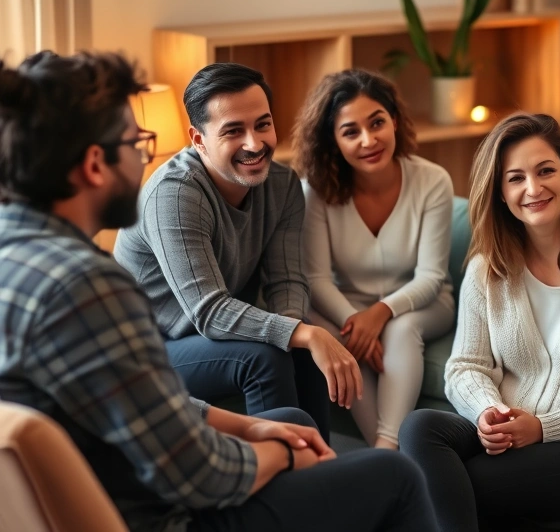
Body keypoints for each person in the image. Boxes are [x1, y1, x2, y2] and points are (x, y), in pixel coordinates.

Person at [0, 50, 437, 532]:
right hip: (166, 513)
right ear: (96, 164)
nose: (144, 157)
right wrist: (281, 454)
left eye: (263, 124)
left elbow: (137, 398)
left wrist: (251, 425)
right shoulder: (90, 284)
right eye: (137, 142)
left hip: (132, 484)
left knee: (291, 401)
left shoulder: (21, 259)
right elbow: (201, 474)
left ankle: (322, 486)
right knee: (392, 472)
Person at [398, 113, 560, 531]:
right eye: (516, 178)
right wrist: (490, 412)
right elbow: (465, 366)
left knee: (460, 483)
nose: (533, 189)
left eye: (546, 171)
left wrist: (543, 428)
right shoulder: (488, 268)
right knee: (420, 428)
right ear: (500, 193)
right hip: (511, 427)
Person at [114, 62, 359, 442]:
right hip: (145, 350)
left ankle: (318, 472)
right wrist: (303, 334)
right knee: (265, 357)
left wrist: (297, 334)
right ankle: (279, 485)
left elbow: (287, 281)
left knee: (300, 352)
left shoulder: (282, 184)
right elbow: (209, 311)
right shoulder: (175, 194)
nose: (254, 143)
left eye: (262, 124)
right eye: (233, 131)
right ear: (198, 140)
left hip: (211, 337)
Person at [294, 69, 455, 450]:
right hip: (349, 307)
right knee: (329, 335)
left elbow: (431, 277)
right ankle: (392, 456)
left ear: (395, 120)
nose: (369, 140)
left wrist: (379, 314)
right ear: (332, 140)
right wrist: (355, 322)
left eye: (377, 122)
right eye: (350, 131)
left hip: (425, 304)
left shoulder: (433, 181)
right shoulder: (315, 192)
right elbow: (315, 279)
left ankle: (386, 446)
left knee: (401, 329)